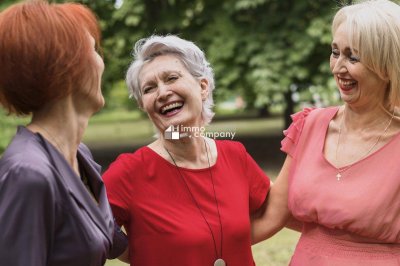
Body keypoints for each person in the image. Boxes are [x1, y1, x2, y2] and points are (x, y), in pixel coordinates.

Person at [252, 0, 400, 265]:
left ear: (386, 65)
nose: (337, 67)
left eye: (352, 56)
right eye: (335, 52)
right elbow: (271, 217)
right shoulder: (310, 125)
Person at [102, 34, 271, 266]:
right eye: (149, 88)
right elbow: (88, 229)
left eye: (171, 78)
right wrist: (138, 252)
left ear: (203, 87)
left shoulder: (234, 155)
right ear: (143, 105)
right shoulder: (130, 171)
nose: (162, 93)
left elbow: (278, 208)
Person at [0, 1, 127, 265]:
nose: (103, 63)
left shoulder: (80, 155)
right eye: (95, 50)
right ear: (68, 68)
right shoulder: (28, 173)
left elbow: (111, 241)